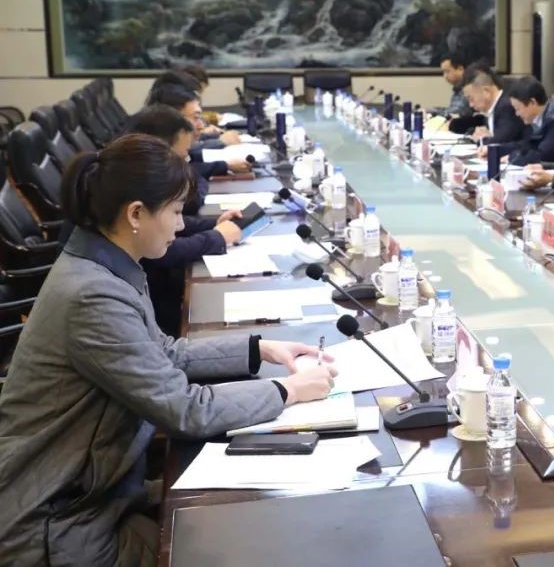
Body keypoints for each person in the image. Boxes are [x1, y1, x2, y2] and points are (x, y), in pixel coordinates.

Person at [0, 134, 336, 566]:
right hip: (57, 526)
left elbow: (162, 354)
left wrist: (259, 349)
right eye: (176, 211)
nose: (181, 225)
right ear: (135, 214)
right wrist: (288, 391)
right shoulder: (92, 295)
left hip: (99, 493)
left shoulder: (105, 264)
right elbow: (185, 409)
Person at [127, 106, 243, 336]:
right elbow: (163, 253)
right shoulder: (100, 290)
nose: (179, 224)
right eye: (183, 157)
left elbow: (169, 217)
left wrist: (213, 224)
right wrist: (215, 237)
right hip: (161, 307)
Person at [504, 76, 554, 166]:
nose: (517, 114)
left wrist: (511, 157)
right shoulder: (533, 121)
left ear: (532, 102)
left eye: (517, 108)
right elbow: (525, 147)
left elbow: (543, 155)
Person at [460, 62, 527, 145]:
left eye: (471, 99)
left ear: (486, 91)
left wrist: (481, 139)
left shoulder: (507, 107)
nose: (471, 105)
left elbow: (500, 143)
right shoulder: (492, 108)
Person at [440, 53, 472, 119]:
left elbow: (457, 112)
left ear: (460, 69)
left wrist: (432, 111)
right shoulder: (457, 88)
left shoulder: (470, 87)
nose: (445, 76)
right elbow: (451, 109)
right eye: (443, 72)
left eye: (447, 71)